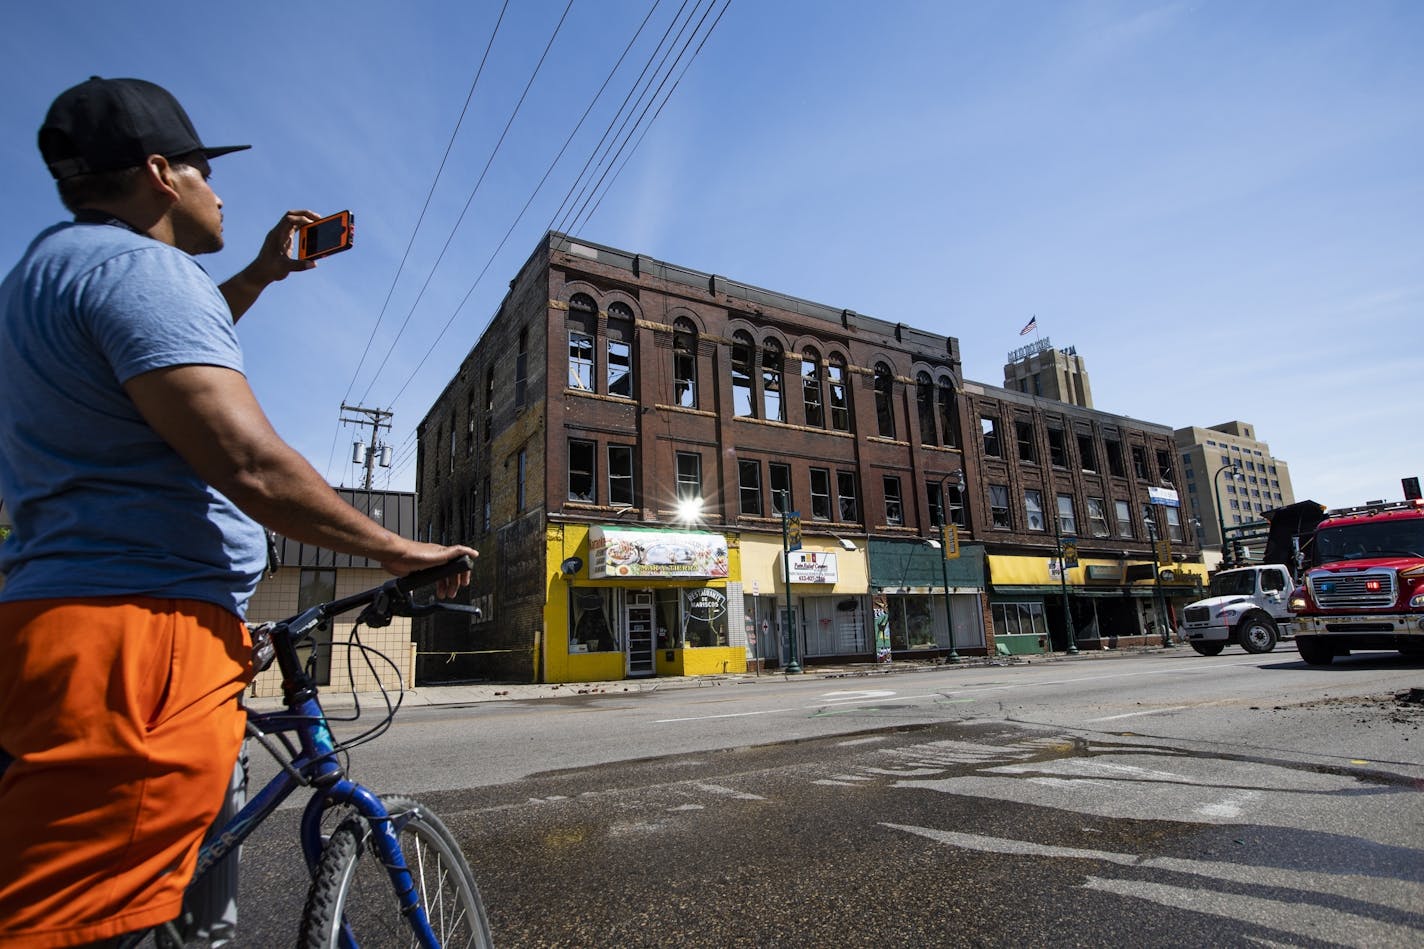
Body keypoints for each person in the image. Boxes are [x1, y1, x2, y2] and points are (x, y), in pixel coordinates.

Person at [0, 76, 476, 947]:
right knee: (89, 926)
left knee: (190, 916)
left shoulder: (45, 273)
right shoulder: (140, 271)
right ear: (159, 174)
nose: (219, 189)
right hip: (140, 640)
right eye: (202, 169)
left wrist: (261, 270)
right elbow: (251, 464)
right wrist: (401, 550)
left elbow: (155, 354)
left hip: (80, 620)